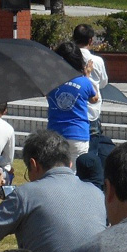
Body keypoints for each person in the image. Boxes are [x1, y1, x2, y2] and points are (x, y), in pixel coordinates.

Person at [46, 40, 100, 168]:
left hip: (55, 133)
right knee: (76, 174)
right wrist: (87, 75)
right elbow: (94, 98)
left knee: (56, 173)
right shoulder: (83, 81)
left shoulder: (51, 80)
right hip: (78, 133)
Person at [73, 23, 109, 135]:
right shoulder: (97, 61)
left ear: (73, 39)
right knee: (91, 150)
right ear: (90, 40)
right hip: (91, 111)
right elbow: (103, 83)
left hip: (72, 110)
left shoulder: (67, 58)